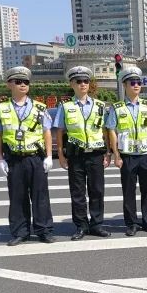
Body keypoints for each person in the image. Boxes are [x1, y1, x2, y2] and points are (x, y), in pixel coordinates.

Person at [0, 66, 55, 246]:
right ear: (9, 84)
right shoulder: (1, 108)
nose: (23, 85)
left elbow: (47, 133)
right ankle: (20, 232)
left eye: (26, 82)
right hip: (15, 158)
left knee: (40, 196)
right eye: (18, 82)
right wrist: (0, 158)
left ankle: (44, 230)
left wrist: (49, 156)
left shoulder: (40, 107)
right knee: (17, 197)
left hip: (35, 157)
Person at [54, 66, 111, 240]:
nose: (83, 84)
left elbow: (105, 131)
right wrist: (61, 156)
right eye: (78, 81)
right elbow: (60, 131)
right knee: (77, 193)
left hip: (96, 154)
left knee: (97, 191)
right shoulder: (66, 106)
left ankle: (96, 224)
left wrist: (108, 153)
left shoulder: (100, 106)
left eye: (86, 81)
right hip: (76, 156)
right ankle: (81, 226)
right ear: (72, 84)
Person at [106, 66, 147, 236]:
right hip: (128, 156)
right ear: (125, 85)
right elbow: (112, 132)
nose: (136, 85)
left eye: (139, 82)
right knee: (129, 191)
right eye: (132, 82)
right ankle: (131, 223)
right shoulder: (117, 108)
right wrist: (116, 155)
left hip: (146, 154)